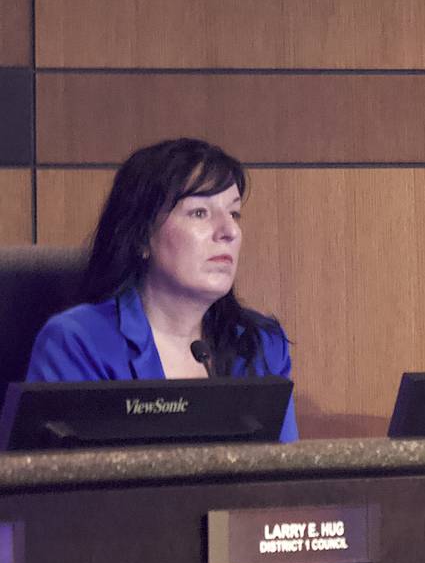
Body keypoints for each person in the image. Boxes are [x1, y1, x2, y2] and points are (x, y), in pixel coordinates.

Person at [26, 138, 298, 442]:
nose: (229, 231)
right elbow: (70, 482)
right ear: (141, 236)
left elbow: (283, 479)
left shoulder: (260, 345)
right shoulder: (79, 343)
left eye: (234, 213)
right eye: (200, 213)